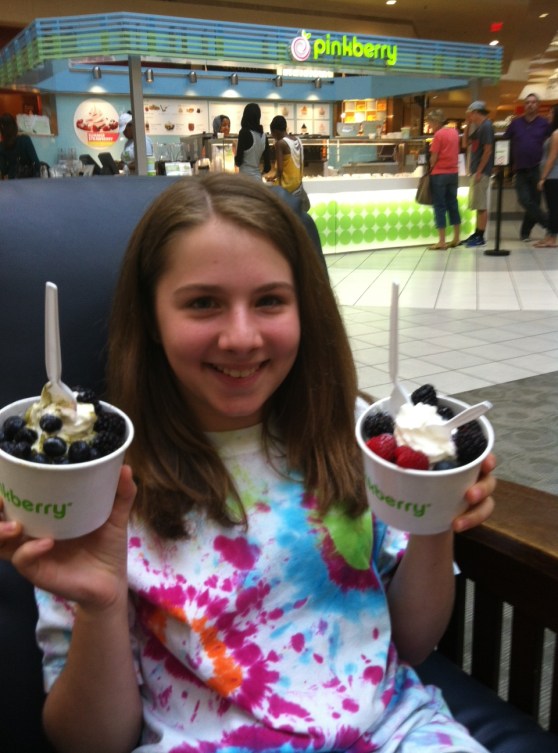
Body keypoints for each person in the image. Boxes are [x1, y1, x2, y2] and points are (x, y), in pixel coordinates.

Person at [1, 173, 496, 753]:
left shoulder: (353, 440)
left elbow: (410, 642)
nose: (241, 337)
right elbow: (90, 742)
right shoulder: (94, 486)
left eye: (269, 301)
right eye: (203, 303)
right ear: (152, 320)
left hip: (394, 732)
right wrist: (101, 602)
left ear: (304, 310)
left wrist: (434, 515)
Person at [504, 92, 551, 242]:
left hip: (538, 168)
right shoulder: (516, 123)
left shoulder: (544, 124)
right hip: (520, 169)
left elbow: (551, 144)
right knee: (524, 200)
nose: (530, 105)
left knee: (535, 202)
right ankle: (549, 224)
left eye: (533, 102)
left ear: (538, 105)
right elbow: (505, 141)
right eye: (527, 102)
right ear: (524, 106)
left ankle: (525, 233)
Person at [425, 109, 461, 249]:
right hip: (453, 173)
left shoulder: (438, 135)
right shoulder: (454, 132)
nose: (429, 126)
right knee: (453, 204)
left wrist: (430, 167)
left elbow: (433, 157)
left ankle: (442, 241)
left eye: (430, 123)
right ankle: (456, 238)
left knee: (439, 206)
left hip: (439, 174)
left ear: (436, 122)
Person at [461, 101, 495, 247]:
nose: (469, 117)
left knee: (481, 205)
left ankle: (480, 236)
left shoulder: (487, 126)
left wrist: (480, 170)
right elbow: (465, 144)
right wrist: (468, 125)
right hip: (476, 171)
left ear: (475, 112)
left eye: (470, 114)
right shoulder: (480, 127)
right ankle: (477, 233)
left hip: (481, 172)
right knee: (478, 203)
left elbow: (488, 150)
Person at [268, 114, 310, 211]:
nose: (272, 136)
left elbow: (280, 169)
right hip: (298, 185)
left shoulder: (280, 144)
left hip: (286, 187)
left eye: (272, 133)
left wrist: (272, 178)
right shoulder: (298, 140)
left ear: (275, 131)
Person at [536, 104, 558, 248]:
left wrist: (543, 177)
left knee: (553, 208)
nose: (548, 115)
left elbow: (552, 157)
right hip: (552, 175)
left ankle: (552, 238)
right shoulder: (553, 133)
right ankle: (549, 236)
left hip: (553, 176)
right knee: (552, 208)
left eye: (551, 113)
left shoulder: (556, 134)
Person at [234, 102, 271, 179]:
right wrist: (260, 174)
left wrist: (234, 152)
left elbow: (238, 161)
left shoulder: (244, 132)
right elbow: (268, 167)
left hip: (244, 179)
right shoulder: (264, 136)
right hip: (257, 179)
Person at [0, 112, 40, 179]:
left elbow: (4, 170)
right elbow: (36, 163)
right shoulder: (25, 139)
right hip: (29, 179)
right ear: (15, 126)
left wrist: (12, 166)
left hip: (13, 179)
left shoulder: (1, 146)